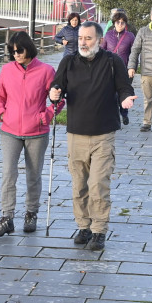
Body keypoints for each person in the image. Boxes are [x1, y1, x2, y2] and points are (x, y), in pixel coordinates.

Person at [49, 22, 136, 251]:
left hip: (103, 134)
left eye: (88, 38)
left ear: (98, 39)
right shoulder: (69, 61)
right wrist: (54, 92)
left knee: (98, 184)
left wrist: (126, 99)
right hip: (76, 133)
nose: (83, 42)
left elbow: (124, 87)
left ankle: (99, 230)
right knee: (79, 186)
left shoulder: (111, 61)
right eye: (80, 38)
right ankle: (84, 226)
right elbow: (57, 86)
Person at [0, 31, 58, 237]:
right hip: (9, 130)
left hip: (36, 131)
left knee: (33, 175)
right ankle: (7, 217)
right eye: (12, 51)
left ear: (29, 47)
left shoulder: (46, 71)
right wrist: (1, 112)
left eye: (19, 50)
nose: (16, 54)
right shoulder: (6, 70)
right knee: (8, 174)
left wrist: (45, 116)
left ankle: (31, 213)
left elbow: (58, 99)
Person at [102, 11, 135, 123]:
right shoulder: (108, 35)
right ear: (114, 23)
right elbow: (102, 51)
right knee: (111, 92)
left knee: (124, 92)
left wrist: (132, 67)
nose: (120, 24)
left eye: (122, 22)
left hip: (124, 69)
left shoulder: (130, 36)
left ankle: (124, 113)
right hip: (109, 69)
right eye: (118, 22)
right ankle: (112, 114)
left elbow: (134, 53)